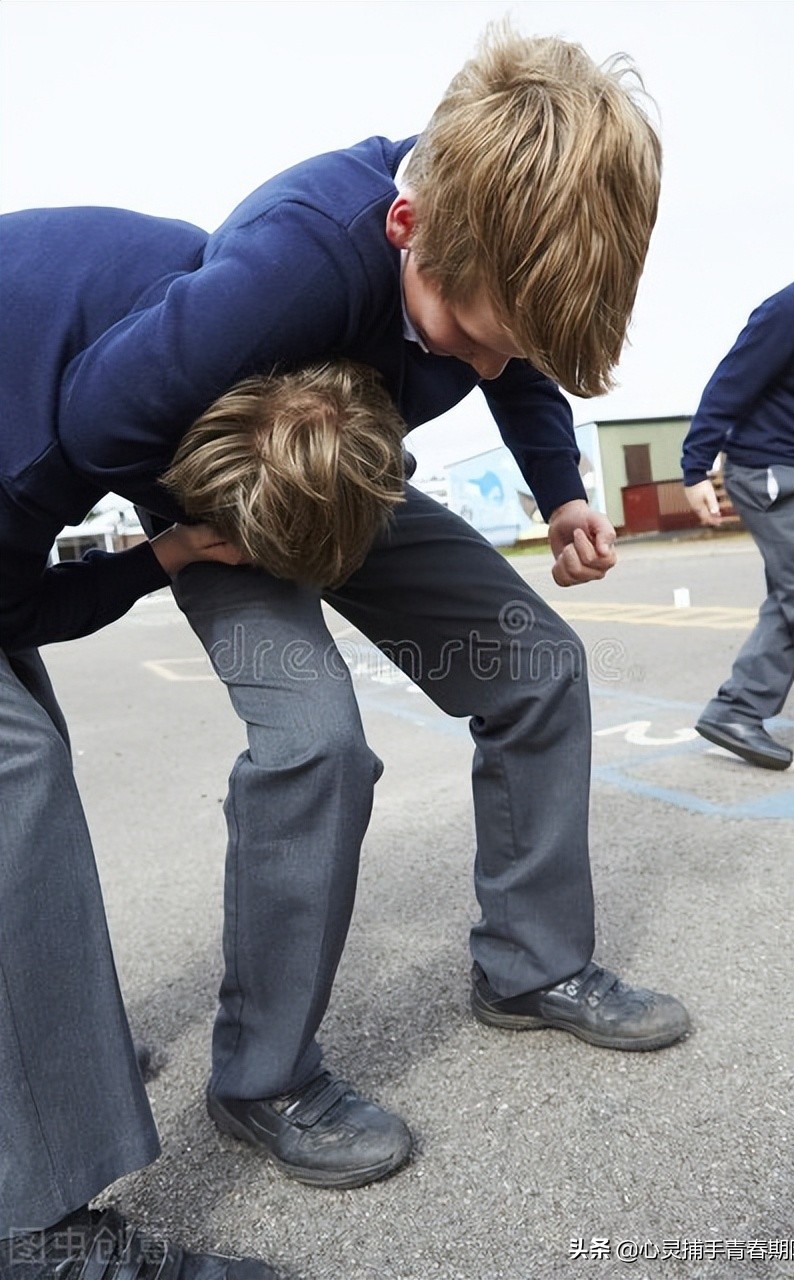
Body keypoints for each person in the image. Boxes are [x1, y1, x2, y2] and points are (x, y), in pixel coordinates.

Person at [6, 24, 692, 1225]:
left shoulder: (501, 242)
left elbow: (521, 351)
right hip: (237, 483)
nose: (488, 365)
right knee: (315, 740)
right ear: (406, 227)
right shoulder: (298, 259)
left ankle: (533, 962)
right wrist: (224, 522)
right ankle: (264, 1077)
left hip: (350, 465)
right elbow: (99, 417)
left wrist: (562, 491)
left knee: (535, 663)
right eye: (470, 338)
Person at [0, 264, 407, 1279]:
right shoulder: (63, 437)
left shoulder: (257, 313)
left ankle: (48, 1057)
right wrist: (164, 555)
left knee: (27, 734)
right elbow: (16, 607)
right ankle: (36, 1237)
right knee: (16, 774)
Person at [682, 171, 794, 774]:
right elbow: (727, 387)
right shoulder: (793, 309)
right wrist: (694, 468)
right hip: (769, 470)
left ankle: (738, 708)